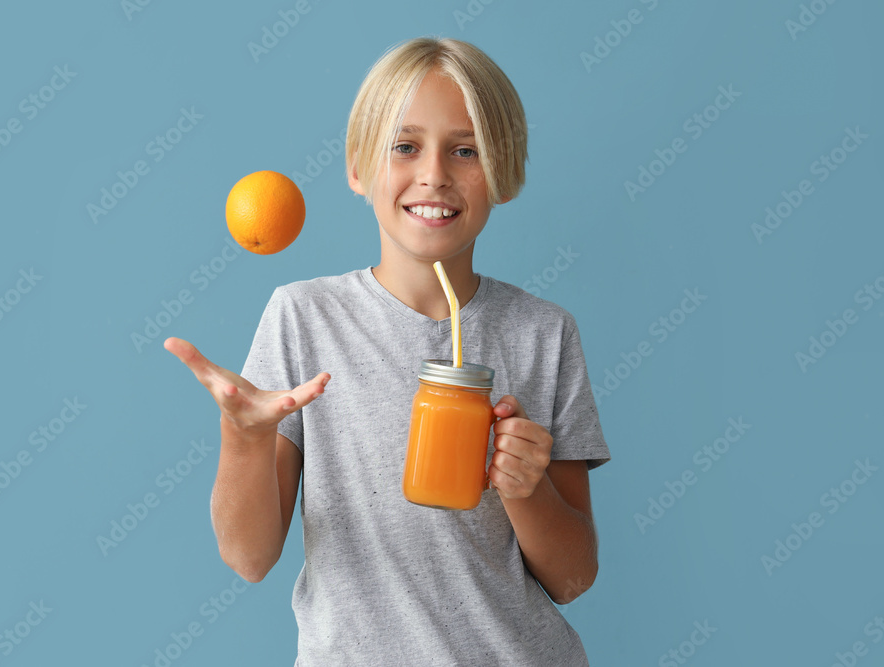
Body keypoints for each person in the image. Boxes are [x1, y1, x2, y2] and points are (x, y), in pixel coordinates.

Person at [165, 36, 611, 667]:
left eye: (466, 150)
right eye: (405, 147)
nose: (434, 174)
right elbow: (249, 557)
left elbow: (572, 578)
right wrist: (244, 437)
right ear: (358, 168)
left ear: (504, 174)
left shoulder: (544, 333)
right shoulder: (303, 317)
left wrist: (525, 487)